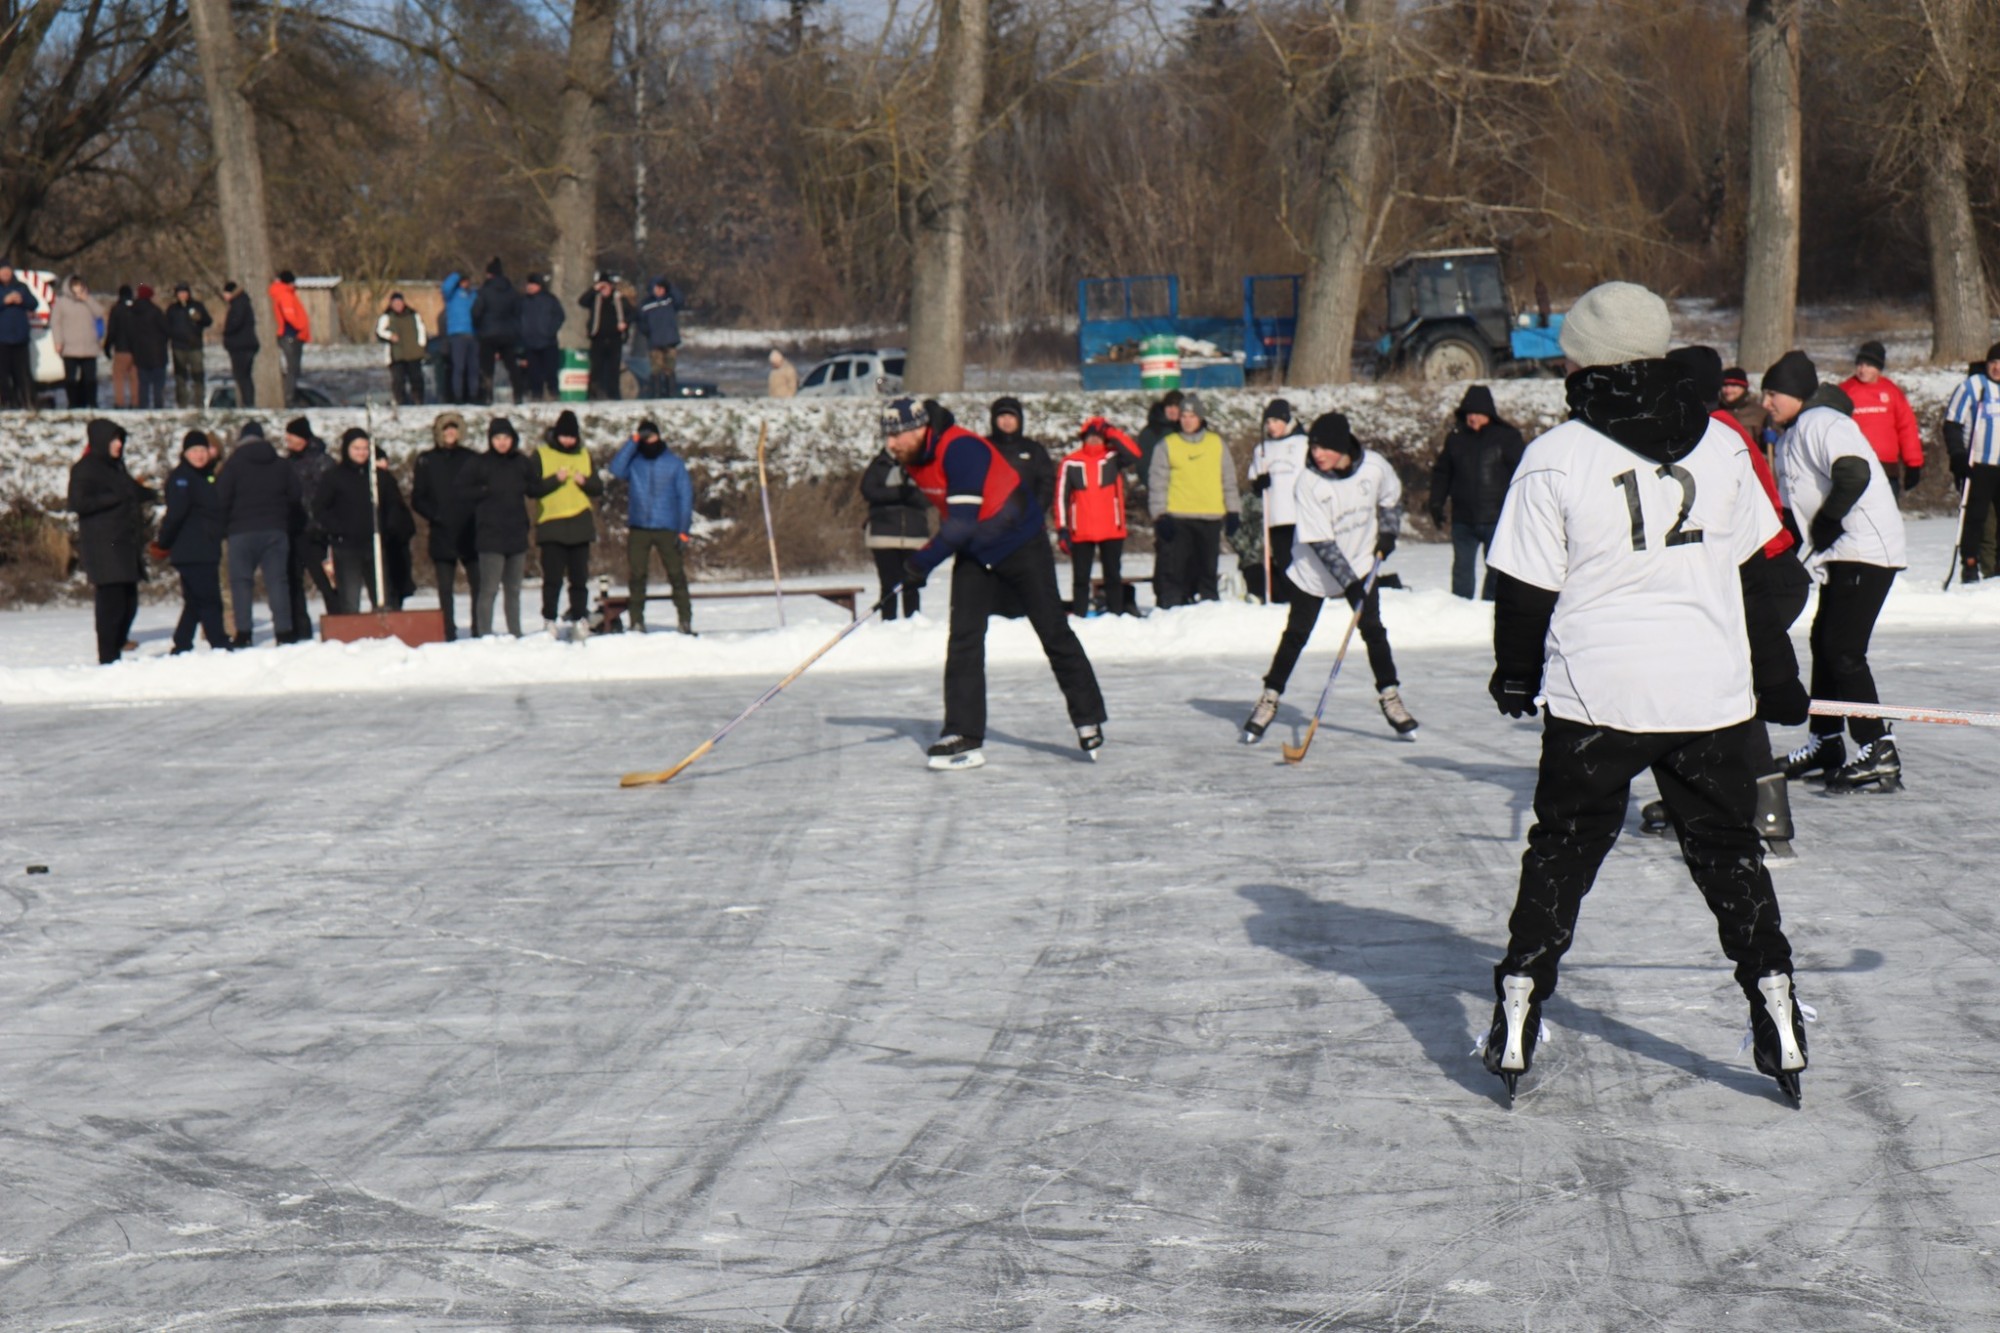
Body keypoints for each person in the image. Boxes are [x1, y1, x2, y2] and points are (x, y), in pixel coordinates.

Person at [1478, 281, 1810, 1103]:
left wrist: (1516, 673)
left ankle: (1519, 999)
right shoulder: (1723, 443)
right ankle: (1775, 1001)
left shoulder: (1557, 455)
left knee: (1562, 849)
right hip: (1709, 691)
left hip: (1601, 696)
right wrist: (1777, 678)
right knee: (1729, 853)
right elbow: (1756, 580)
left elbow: (1523, 592)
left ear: (1585, 360)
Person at [1635, 344, 1812, 854]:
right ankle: (1706, 791)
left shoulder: (1712, 433)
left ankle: (1759, 806)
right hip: (1748, 569)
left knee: (1733, 684)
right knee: (1708, 681)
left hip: (1762, 572)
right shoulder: (1710, 428)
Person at [879, 396, 1107, 770]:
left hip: (1020, 542)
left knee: (1052, 630)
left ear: (920, 429)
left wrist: (919, 564)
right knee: (964, 637)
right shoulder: (911, 456)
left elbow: (961, 522)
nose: (890, 444)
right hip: (975, 549)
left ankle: (1088, 717)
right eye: (887, 436)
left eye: (896, 436)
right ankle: (962, 733)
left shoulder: (961, 449)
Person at [1765, 351, 1908, 791]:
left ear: (1795, 393)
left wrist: (1828, 521)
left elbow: (1853, 472)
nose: (1766, 403)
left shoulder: (1822, 422)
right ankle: (1826, 741)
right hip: (1841, 553)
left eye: (1773, 394)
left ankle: (1878, 748)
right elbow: (1793, 511)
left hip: (1866, 548)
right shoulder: (1790, 436)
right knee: (1824, 643)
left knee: (1843, 649)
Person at [1240, 411, 1416, 743]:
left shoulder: (1374, 467)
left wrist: (1388, 533)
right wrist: (1352, 586)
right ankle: (1269, 698)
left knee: (1373, 630)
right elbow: (1322, 544)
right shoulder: (1309, 482)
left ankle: (1390, 696)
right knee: (1296, 634)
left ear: (1341, 446)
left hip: (1361, 564)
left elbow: (1390, 500)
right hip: (1314, 572)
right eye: (1313, 447)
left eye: (1323, 448)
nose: (1316, 454)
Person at [66, 419, 155, 662]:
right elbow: (77, 502)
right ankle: (108, 655)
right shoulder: (85, 468)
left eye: (120, 440)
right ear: (101, 440)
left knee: (130, 601)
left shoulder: (116, 467)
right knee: (111, 603)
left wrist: (152, 494)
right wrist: (112, 499)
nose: (119, 445)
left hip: (124, 543)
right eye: (114, 440)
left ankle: (119, 642)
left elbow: (130, 491)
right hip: (104, 545)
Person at [1427, 384, 1527, 600]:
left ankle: (1490, 607)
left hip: (1496, 518)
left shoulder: (1507, 438)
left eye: (1477, 413)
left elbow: (1522, 474)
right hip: (1463, 518)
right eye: (1468, 413)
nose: (1472, 418)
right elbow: (1443, 473)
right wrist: (1436, 502)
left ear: (1488, 414)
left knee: (1497, 570)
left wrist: (1521, 509)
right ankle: (1460, 608)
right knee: (1462, 571)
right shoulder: (1455, 438)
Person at [1147, 393, 1239, 607]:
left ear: (1200, 418)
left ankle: (1208, 610)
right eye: (1184, 416)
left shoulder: (1216, 444)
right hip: (1178, 517)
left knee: (1207, 571)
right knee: (1175, 572)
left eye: (1192, 416)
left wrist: (1233, 510)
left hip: (1210, 517)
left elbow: (1228, 479)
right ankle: (1172, 610)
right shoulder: (1167, 445)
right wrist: (1160, 515)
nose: (1187, 421)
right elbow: (1157, 482)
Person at [607, 420, 696, 633]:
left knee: (676, 574)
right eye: (644, 437)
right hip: (639, 527)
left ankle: (685, 620)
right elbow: (615, 468)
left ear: (659, 436)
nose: (649, 441)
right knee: (637, 576)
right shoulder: (635, 462)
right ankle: (637, 621)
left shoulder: (674, 463)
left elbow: (685, 498)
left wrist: (683, 531)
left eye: (651, 436)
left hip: (667, 527)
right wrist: (633, 440)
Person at [217, 420, 301, 646]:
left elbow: (221, 498)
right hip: (275, 530)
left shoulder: (233, 464)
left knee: (241, 583)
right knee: (277, 582)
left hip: (240, 531)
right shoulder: (281, 464)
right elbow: (295, 495)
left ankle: (244, 633)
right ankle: (283, 631)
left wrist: (223, 528)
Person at [314, 427, 414, 614]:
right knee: (349, 601)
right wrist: (337, 529)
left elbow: (395, 506)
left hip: (375, 545)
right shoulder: (334, 477)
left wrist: (388, 528)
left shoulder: (380, 477)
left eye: (365, 448)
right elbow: (320, 509)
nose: (361, 453)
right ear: (347, 449)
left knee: (383, 599)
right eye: (356, 448)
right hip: (346, 547)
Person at [456, 417, 536, 636]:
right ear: (490, 440)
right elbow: (461, 490)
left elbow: (535, 487)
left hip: (516, 535)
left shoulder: (521, 462)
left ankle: (516, 632)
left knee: (514, 590)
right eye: (497, 438)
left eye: (506, 438)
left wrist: (556, 480)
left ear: (513, 439)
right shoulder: (479, 463)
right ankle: (485, 633)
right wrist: (482, 492)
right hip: (490, 536)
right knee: (489, 589)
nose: (502, 442)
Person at [1056, 417, 1142, 616]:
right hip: (1081, 530)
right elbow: (1060, 497)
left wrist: (1111, 431)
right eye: (1090, 436)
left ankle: (1115, 616)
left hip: (1111, 528)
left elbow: (1135, 454)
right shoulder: (1071, 462)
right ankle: (1079, 616)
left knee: (1113, 576)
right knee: (1080, 579)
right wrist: (1062, 528)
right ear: (1083, 438)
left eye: (1098, 436)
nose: (1094, 439)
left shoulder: (1112, 457)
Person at [157, 429, 229, 654]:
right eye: (194, 451)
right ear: (185, 453)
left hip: (205, 547)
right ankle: (219, 643)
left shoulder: (204, 475)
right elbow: (175, 514)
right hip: (192, 549)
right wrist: (163, 542)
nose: (199, 455)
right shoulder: (182, 478)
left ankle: (181, 643)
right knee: (209, 599)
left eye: (202, 450)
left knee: (195, 601)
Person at [532, 409, 604, 635]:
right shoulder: (542, 454)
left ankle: (579, 617)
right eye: (564, 436)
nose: (568, 441)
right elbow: (532, 488)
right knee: (552, 579)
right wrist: (555, 480)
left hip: (580, 524)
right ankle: (549, 619)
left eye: (572, 437)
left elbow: (598, 488)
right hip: (552, 524)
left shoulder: (584, 455)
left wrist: (585, 482)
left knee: (579, 578)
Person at [411, 411, 479, 640]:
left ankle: (479, 628)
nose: (450, 433)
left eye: (454, 429)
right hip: (442, 530)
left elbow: (483, 491)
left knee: (478, 584)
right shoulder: (427, 460)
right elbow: (418, 498)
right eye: (446, 429)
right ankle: (448, 630)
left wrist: (475, 514)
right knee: (445, 587)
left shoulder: (472, 458)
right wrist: (436, 515)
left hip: (470, 530)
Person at [1943, 344, 2000, 586]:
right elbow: (1952, 423)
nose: (1997, 368)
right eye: (1993, 363)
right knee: (1975, 517)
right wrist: (1957, 455)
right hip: (1978, 464)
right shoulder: (1973, 386)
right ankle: (1970, 563)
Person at [1836, 341, 1922, 498]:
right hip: (1855, 467)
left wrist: (1913, 464)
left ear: (1878, 368)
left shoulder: (1891, 391)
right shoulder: (1845, 391)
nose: (1863, 370)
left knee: (1887, 511)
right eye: (1860, 365)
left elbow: (1906, 427)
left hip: (1887, 468)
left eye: (1869, 365)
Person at [1245, 399, 1308, 604]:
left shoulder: (1303, 444)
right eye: (1268, 422)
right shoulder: (1262, 449)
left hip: (1299, 514)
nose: (1271, 426)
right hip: (1276, 516)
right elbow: (1254, 477)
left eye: (1275, 421)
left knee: (1303, 558)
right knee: (1283, 558)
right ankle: (1287, 597)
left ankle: (1307, 595)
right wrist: (1259, 483)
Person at [859, 442, 932, 620]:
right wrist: (898, 493)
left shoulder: (921, 464)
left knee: (912, 583)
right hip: (883, 535)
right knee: (888, 584)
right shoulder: (879, 464)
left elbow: (930, 495)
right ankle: (888, 622)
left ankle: (913, 623)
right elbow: (868, 490)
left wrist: (912, 494)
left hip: (914, 535)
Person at [282, 417, 336, 637]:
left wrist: (323, 524)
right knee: (293, 582)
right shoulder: (286, 463)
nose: (288, 441)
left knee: (325, 581)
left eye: (292, 437)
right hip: (293, 530)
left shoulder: (323, 462)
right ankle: (300, 629)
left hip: (316, 532)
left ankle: (337, 622)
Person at [987, 396, 1055, 520]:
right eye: (1002, 417)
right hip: (990, 521)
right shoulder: (982, 447)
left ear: (1019, 419)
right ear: (994, 420)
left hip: (1027, 520)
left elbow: (1047, 484)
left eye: (1011, 417)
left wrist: (1035, 511)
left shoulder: (1034, 450)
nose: (1007, 421)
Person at [471, 258, 524, 404]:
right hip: (508, 333)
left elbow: (476, 312)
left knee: (487, 367)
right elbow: (518, 311)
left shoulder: (484, 291)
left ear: (489, 274)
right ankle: (518, 394)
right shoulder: (511, 291)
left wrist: (478, 327)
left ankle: (487, 396)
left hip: (488, 333)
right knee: (511, 365)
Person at [578, 273, 633, 402]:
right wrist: (594, 289)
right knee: (596, 368)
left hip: (615, 338)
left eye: (605, 286)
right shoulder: (595, 298)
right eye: (601, 287)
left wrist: (625, 323)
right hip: (598, 338)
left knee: (613, 368)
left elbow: (632, 313)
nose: (604, 289)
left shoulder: (619, 298)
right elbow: (582, 301)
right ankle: (594, 394)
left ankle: (613, 394)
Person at [50, 275, 101, 410]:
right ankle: (72, 403)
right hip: (70, 347)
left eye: (80, 285)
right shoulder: (61, 302)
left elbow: (99, 313)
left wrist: (87, 299)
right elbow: (56, 323)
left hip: (89, 346)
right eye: (75, 285)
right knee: (70, 378)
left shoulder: (89, 300)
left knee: (90, 378)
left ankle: (92, 402)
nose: (78, 288)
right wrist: (58, 341)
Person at [375, 291, 428, 406]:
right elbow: (379, 331)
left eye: (399, 302)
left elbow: (421, 330)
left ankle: (419, 400)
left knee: (416, 378)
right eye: (395, 303)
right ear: (391, 304)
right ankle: (400, 402)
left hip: (414, 353)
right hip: (396, 355)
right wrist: (390, 336)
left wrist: (421, 345)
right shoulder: (387, 317)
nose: (397, 305)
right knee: (398, 380)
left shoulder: (413, 315)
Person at [165, 283, 213, 409]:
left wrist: (200, 319)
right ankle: (182, 403)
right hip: (178, 347)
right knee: (180, 377)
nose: (182, 295)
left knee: (198, 375)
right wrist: (173, 336)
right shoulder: (172, 309)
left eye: (184, 292)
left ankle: (199, 403)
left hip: (195, 346)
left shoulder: (197, 306)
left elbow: (208, 321)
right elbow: (166, 327)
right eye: (180, 293)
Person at [518, 274, 565, 402]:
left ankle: (553, 393)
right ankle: (536, 395)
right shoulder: (523, 301)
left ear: (539, 285)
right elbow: (517, 319)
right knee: (533, 372)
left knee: (551, 371)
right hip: (529, 342)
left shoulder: (550, 299)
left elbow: (559, 316)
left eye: (532, 284)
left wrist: (550, 331)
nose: (529, 287)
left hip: (548, 341)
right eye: (528, 284)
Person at [637, 276, 686, 398]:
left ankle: (671, 393)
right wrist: (648, 331)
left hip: (670, 340)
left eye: (662, 288)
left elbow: (680, 300)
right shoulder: (646, 304)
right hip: (654, 341)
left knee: (670, 368)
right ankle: (656, 393)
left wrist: (670, 287)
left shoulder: (670, 300)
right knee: (656, 369)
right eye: (657, 288)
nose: (659, 291)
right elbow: (640, 321)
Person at [269, 269, 311, 407]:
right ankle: (289, 398)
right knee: (293, 369)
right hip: (291, 336)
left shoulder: (282, 293)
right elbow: (290, 316)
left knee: (293, 369)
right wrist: (301, 327)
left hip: (291, 335)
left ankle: (290, 395)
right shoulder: (285, 295)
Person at [126, 284, 171, 410]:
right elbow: (167, 330)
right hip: (158, 353)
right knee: (158, 385)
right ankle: (158, 407)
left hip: (140, 354)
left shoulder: (132, 312)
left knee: (143, 385)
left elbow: (130, 333)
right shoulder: (155, 311)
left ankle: (143, 407)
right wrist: (163, 341)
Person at [0, 261, 38, 408]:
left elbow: (34, 304)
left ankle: (27, 402)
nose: (5, 273)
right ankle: (8, 402)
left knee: (23, 374)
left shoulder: (21, 287)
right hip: (2, 339)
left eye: (7, 270)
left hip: (20, 338)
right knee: (3, 375)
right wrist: (4, 301)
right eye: (2, 271)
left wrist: (22, 300)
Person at [439, 270, 479, 404]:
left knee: (473, 367)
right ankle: (458, 396)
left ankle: (473, 395)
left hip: (473, 334)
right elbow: (445, 287)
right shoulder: (451, 295)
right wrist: (456, 274)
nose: (465, 283)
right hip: (457, 334)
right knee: (459, 367)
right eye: (463, 281)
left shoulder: (473, 294)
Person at [220, 280, 259, 407]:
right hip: (245, 344)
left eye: (225, 293)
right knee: (245, 376)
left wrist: (226, 331)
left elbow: (235, 322)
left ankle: (248, 403)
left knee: (242, 376)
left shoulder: (238, 304)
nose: (224, 296)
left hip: (241, 346)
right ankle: (248, 402)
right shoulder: (242, 302)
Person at [103, 285, 138, 408]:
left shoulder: (116, 309)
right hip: (137, 350)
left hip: (121, 349)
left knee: (119, 377)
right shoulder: (137, 309)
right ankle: (135, 402)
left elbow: (111, 330)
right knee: (135, 378)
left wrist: (107, 346)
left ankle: (119, 402)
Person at [1720, 366, 1767, 444]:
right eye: (1725, 385)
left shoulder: (1760, 413)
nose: (1728, 390)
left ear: (1744, 388)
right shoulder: (1715, 412)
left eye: (1733, 386)